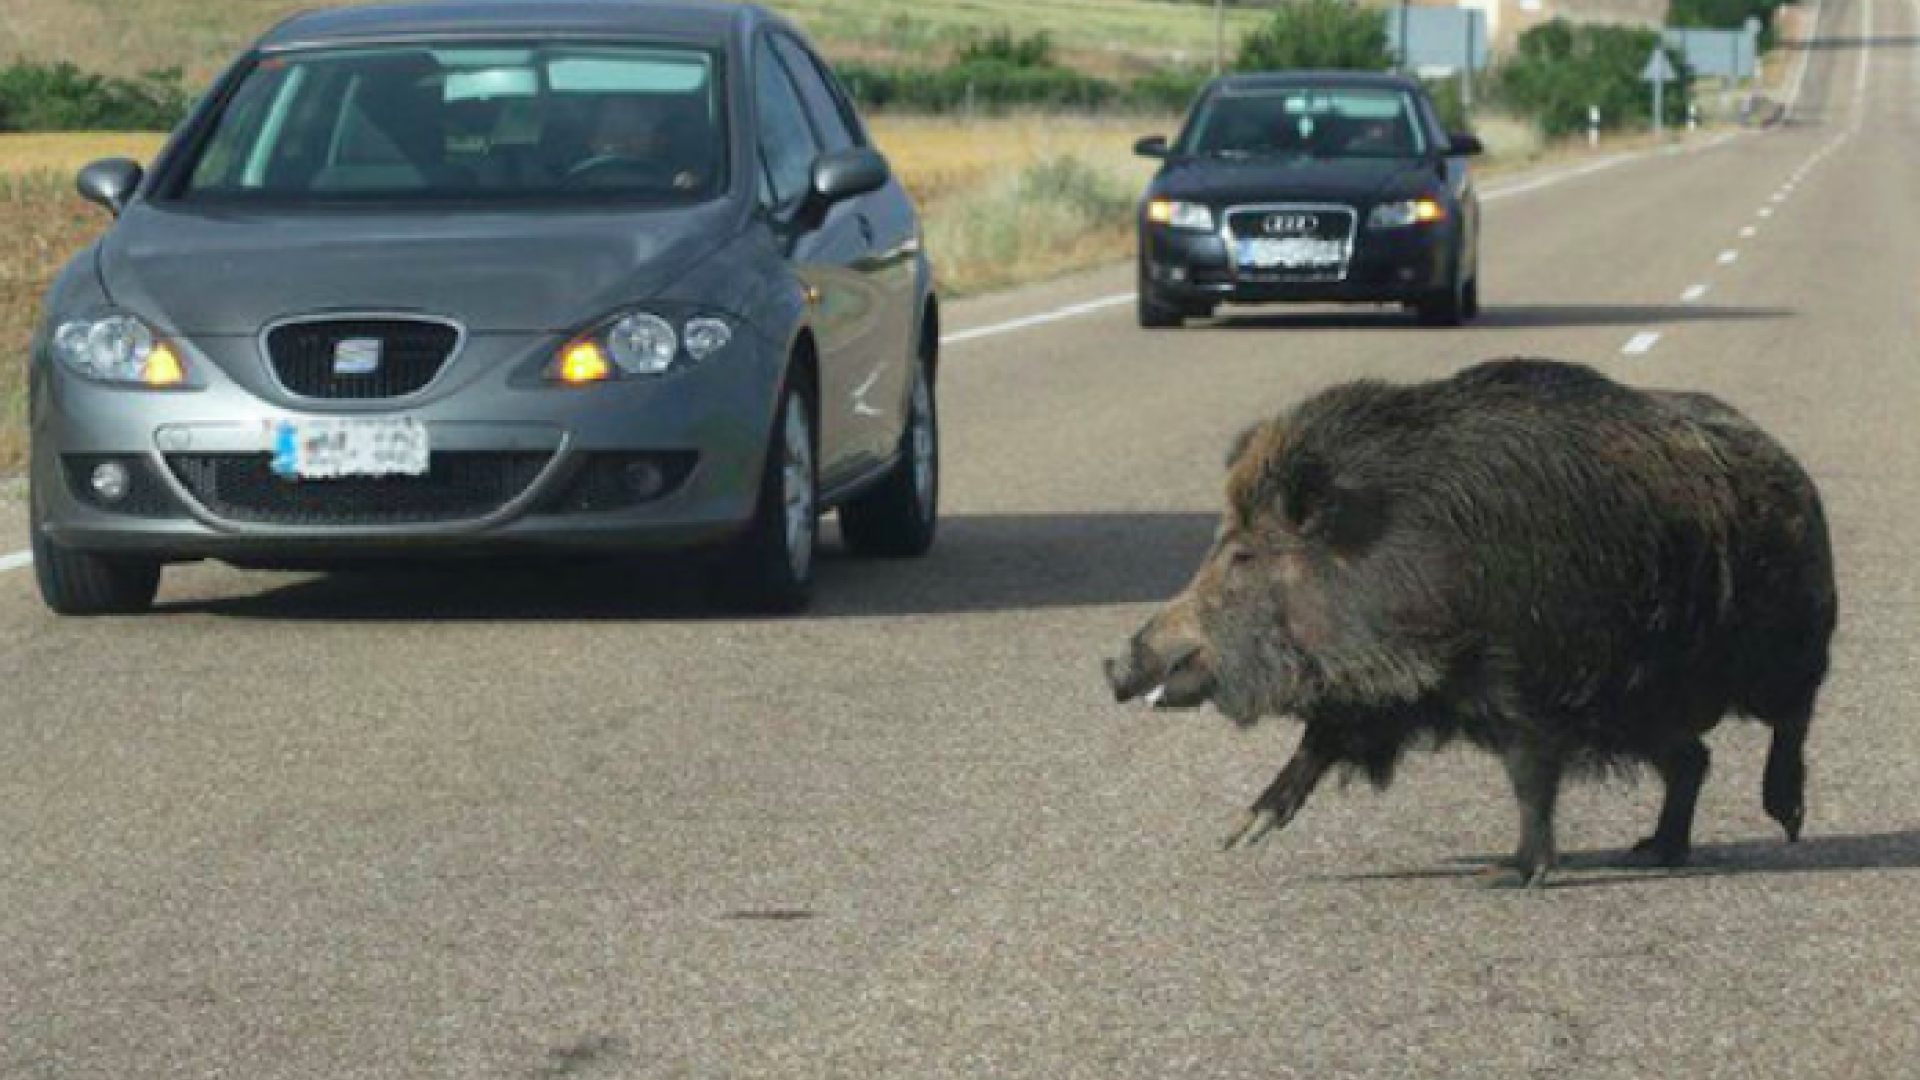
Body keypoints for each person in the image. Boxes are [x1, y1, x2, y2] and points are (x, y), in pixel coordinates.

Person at [580, 95, 701, 191]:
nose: (623, 141)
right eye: (612, 131)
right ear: (592, 142)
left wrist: (688, 188)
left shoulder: (683, 187)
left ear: (659, 140)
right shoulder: (569, 197)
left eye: (635, 131)